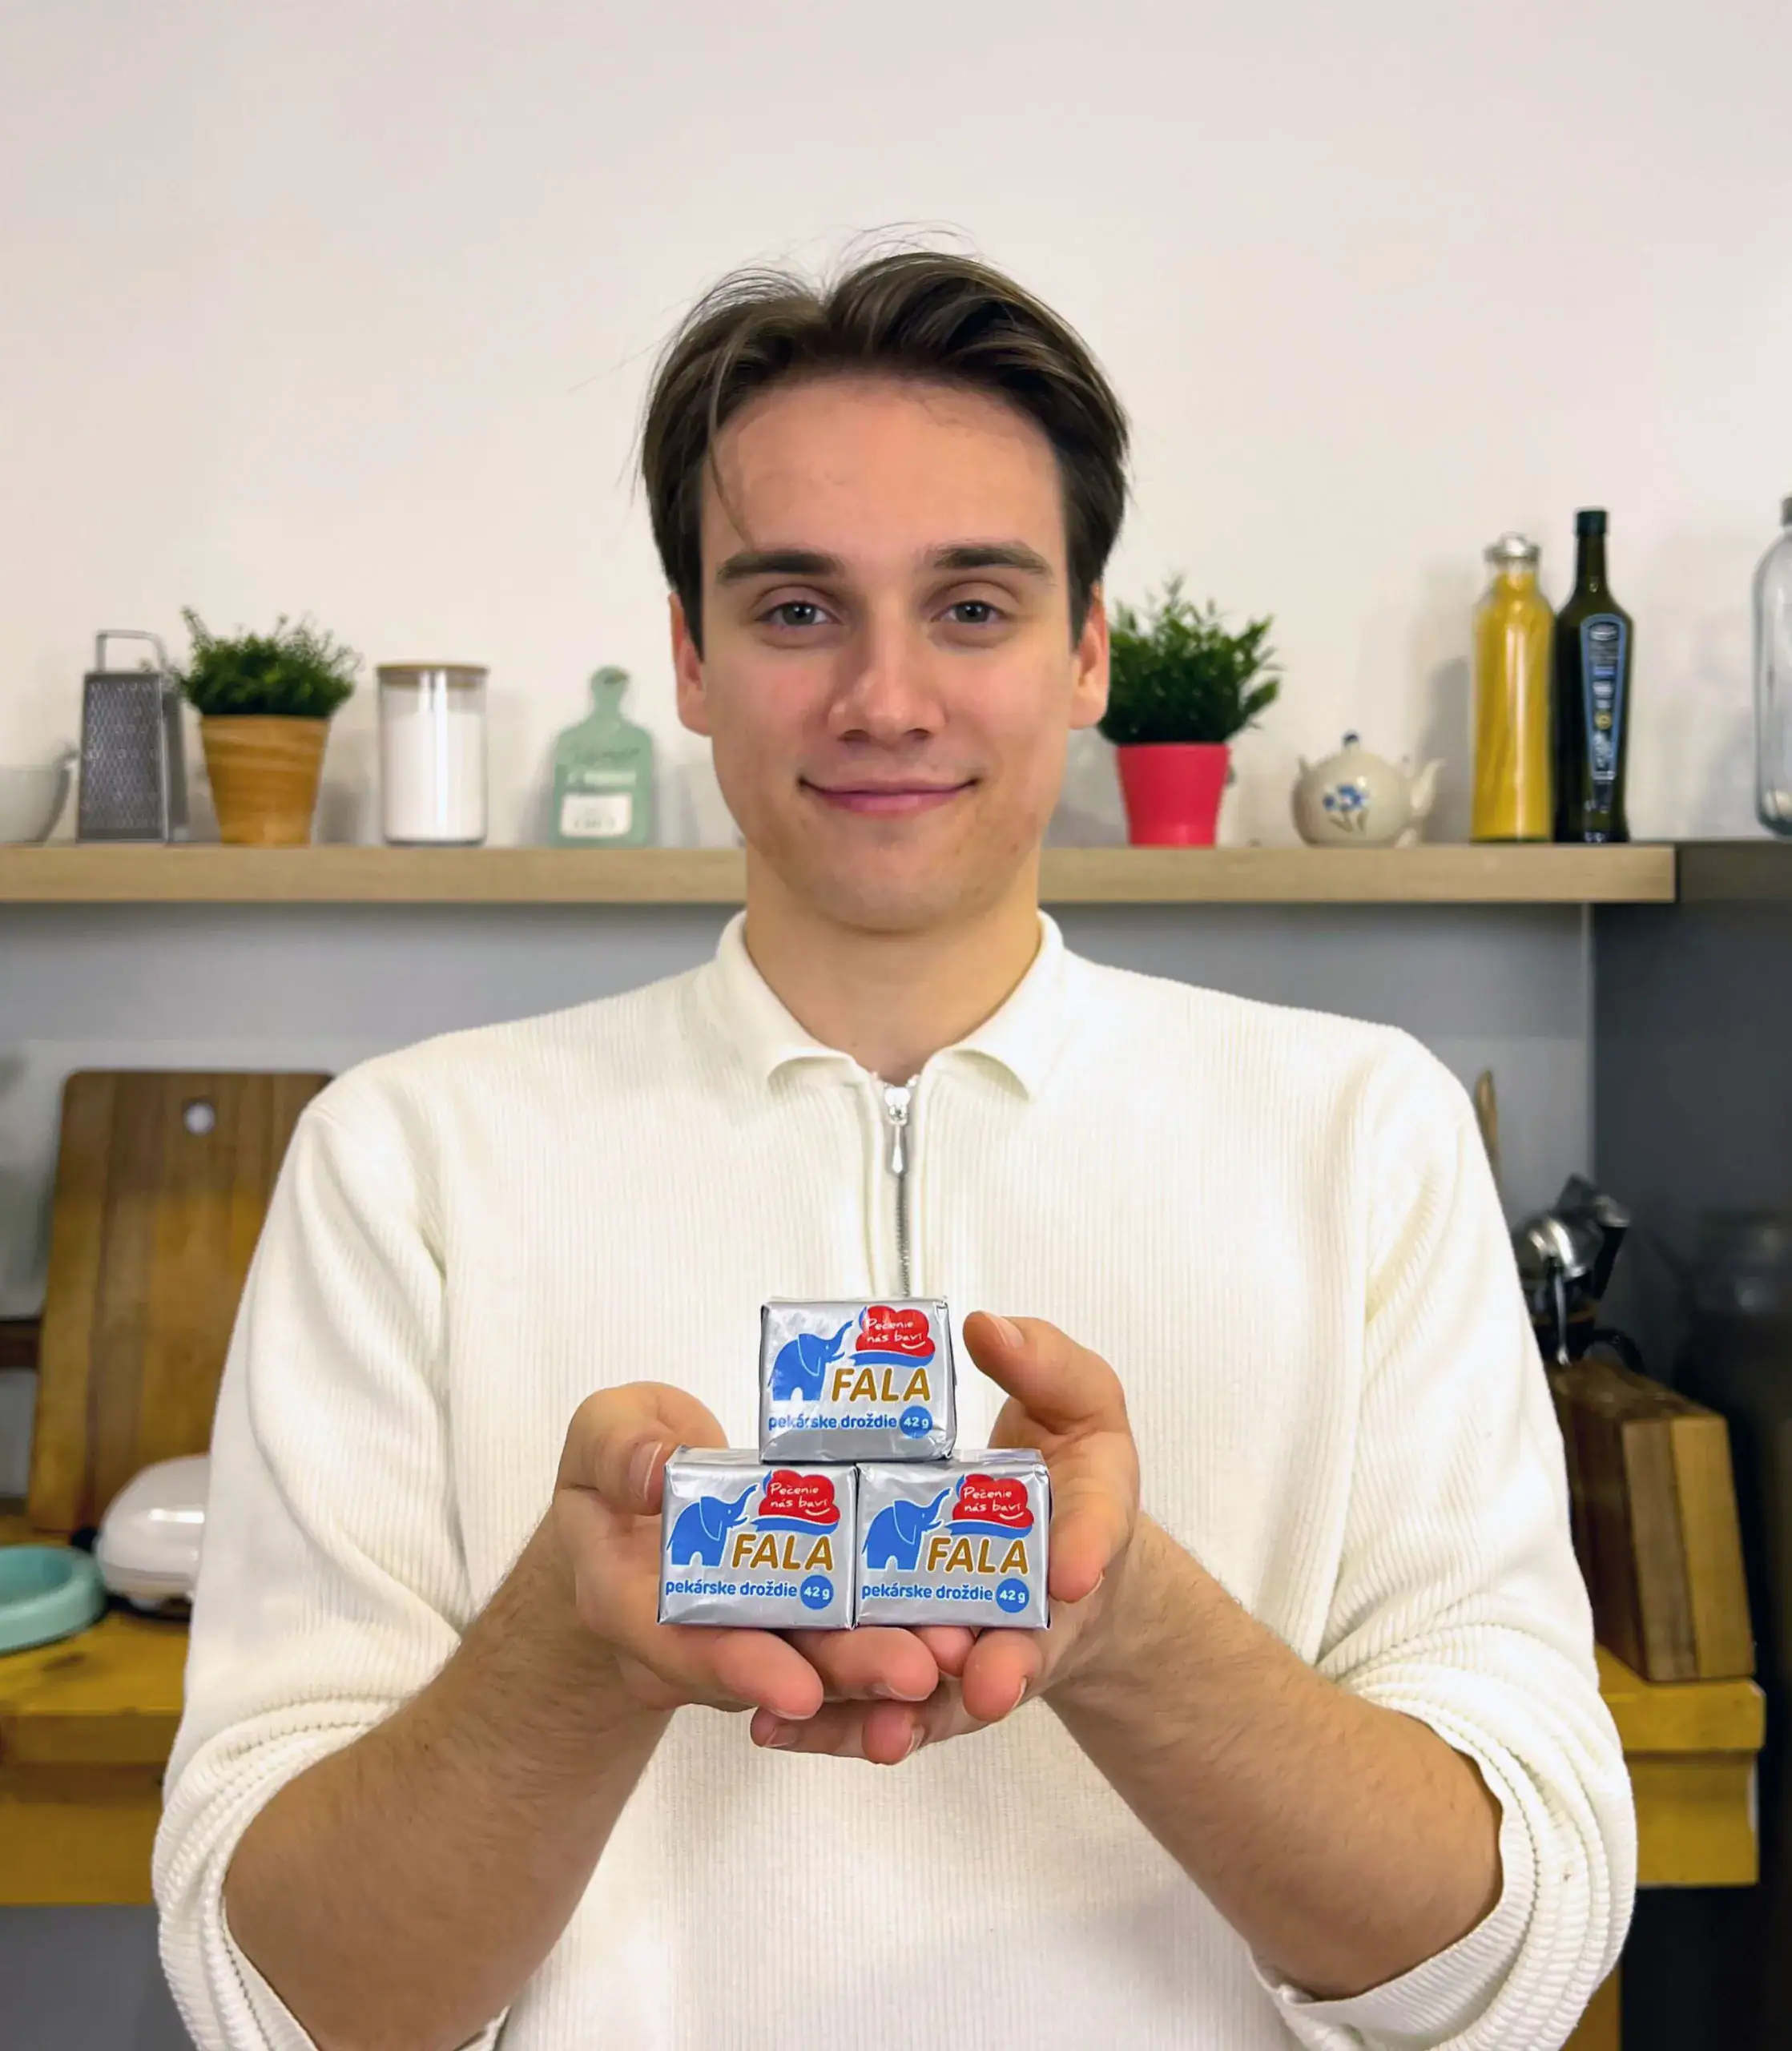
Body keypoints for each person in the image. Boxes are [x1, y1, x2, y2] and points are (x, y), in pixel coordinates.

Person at [155, 249, 1634, 2051]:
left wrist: (1122, 1619)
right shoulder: (404, 1163)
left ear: (1085, 652)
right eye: (796, 608)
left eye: (972, 606)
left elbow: (1509, 1961)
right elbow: (280, 2007)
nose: (885, 697)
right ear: (690, 660)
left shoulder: (1363, 1135)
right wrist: (567, 1648)